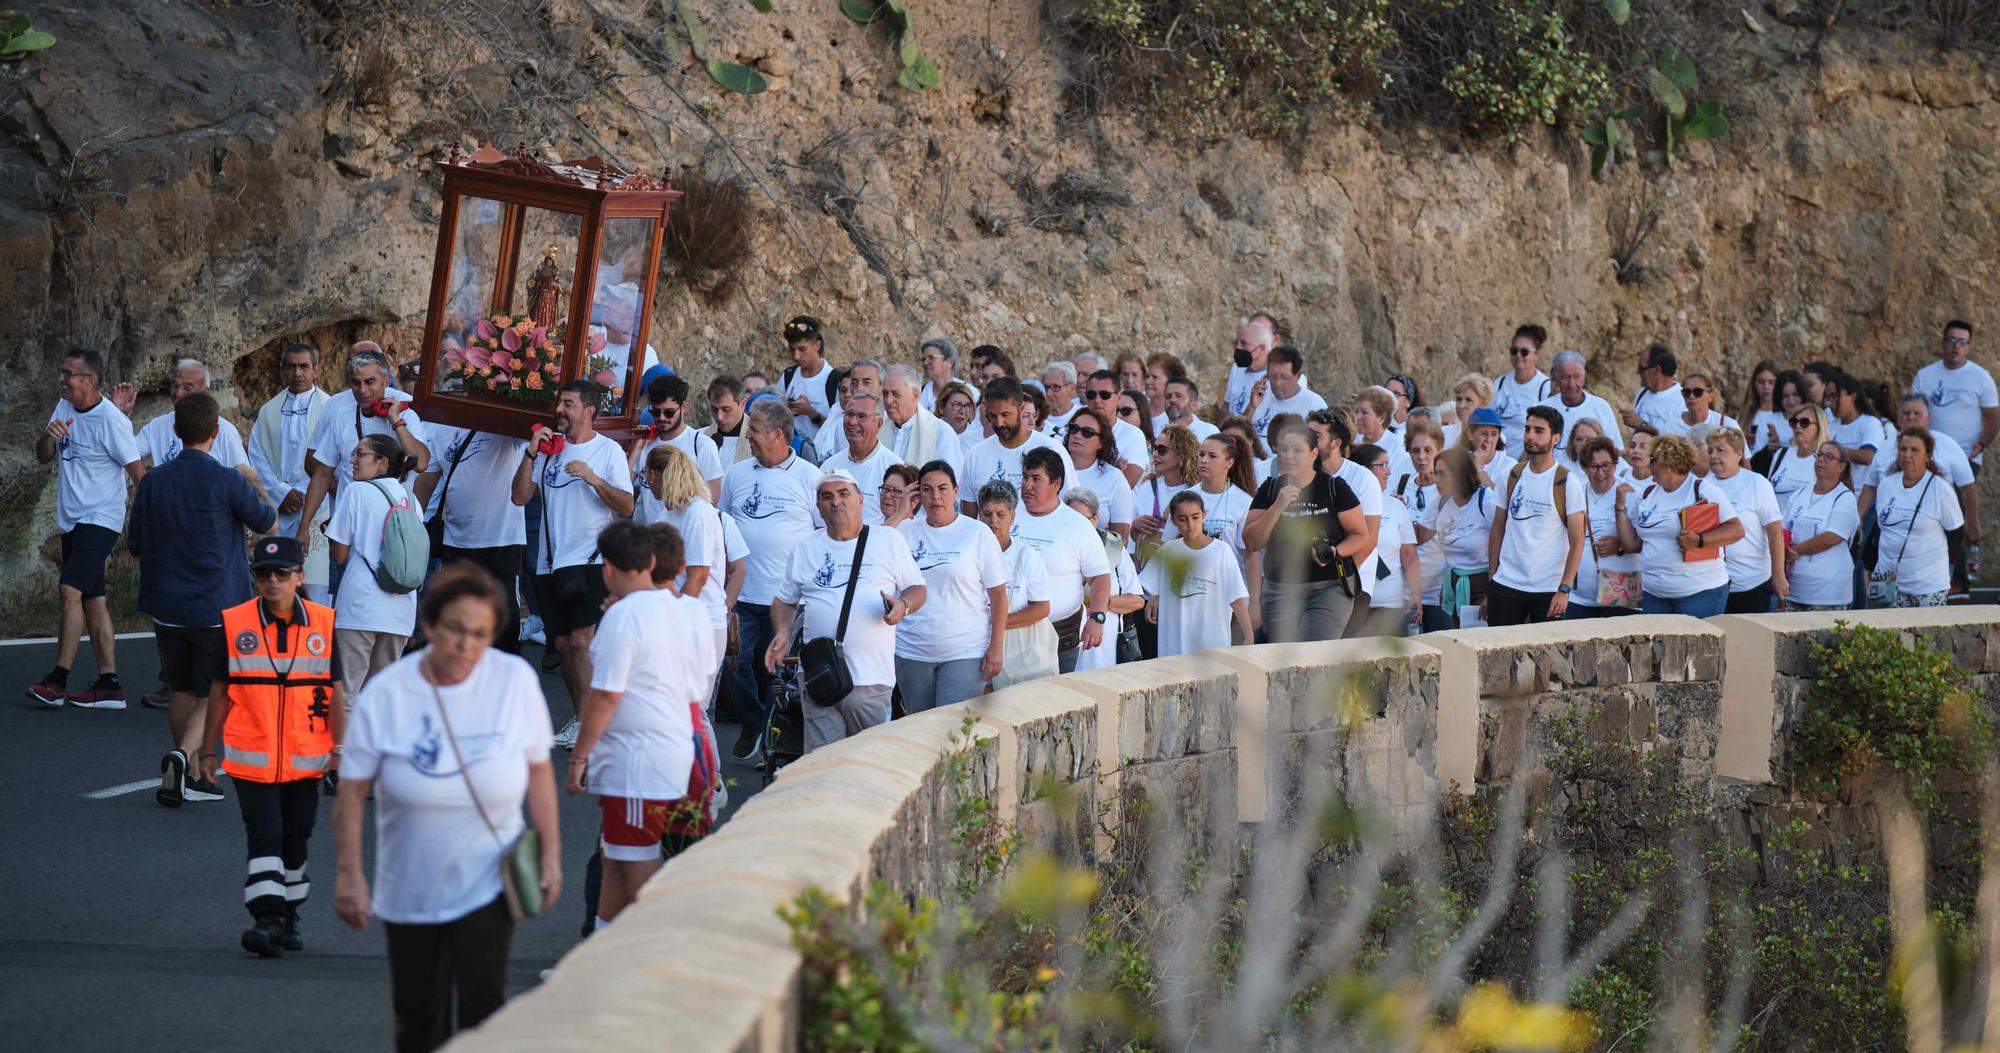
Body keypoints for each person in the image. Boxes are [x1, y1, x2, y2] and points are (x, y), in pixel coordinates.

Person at [332, 565, 561, 1053]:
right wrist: (349, 874)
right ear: (431, 625)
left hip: (488, 879)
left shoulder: (514, 681)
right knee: (418, 1020)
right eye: (455, 630)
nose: (466, 645)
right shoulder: (389, 693)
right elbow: (351, 792)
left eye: (480, 634)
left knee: (484, 1008)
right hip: (408, 885)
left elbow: (539, 771)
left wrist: (551, 855)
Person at [192, 535, 341, 957]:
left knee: (296, 838)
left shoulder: (324, 625)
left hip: (305, 758)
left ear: (298, 578)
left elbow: (338, 693)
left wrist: (341, 752)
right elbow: (218, 690)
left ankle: (289, 918)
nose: (271, 580)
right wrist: (207, 751)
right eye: (263, 574)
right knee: (266, 835)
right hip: (250, 757)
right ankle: (266, 919)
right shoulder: (236, 623)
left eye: (281, 573)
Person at [565, 520, 714, 929]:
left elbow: (605, 694)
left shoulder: (624, 615)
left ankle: (652, 949)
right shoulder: (680, 608)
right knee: (617, 859)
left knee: (635, 864)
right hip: (671, 750)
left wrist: (579, 757)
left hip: (636, 762)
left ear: (607, 569)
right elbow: (697, 683)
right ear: (650, 562)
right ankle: (602, 950)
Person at [131, 393, 278, 804]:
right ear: (216, 432)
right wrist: (256, 482)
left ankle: (190, 773)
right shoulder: (228, 480)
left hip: (167, 603)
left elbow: (136, 543)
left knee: (179, 688)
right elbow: (269, 522)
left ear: (176, 432)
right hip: (218, 603)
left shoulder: (154, 481)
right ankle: (184, 757)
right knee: (220, 689)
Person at [511, 380, 635, 748]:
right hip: (551, 562)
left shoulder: (607, 451)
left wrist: (592, 478)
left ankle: (596, 725)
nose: (559, 409)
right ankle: (584, 719)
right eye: (559, 402)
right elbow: (519, 497)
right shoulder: (549, 451)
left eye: (568, 403)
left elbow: (626, 506)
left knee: (582, 643)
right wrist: (531, 454)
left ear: (589, 411)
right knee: (563, 645)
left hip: (592, 559)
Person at [767, 471, 926, 750]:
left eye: (843, 494)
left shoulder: (887, 540)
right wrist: (782, 632)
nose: (836, 502)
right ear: (818, 507)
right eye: (827, 497)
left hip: (870, 679)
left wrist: (903, 605)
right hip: (819, 676)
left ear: (860, 500)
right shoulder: (805, 547)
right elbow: (785, 600)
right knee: (820, 766)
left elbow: (917, 589)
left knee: (868, 765)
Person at [29, 349, 144, 708]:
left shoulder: (112, 420)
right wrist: (49, 436)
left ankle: (57, 680)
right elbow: (43, 455)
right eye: (62, 373)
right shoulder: (64, 407)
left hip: (101, 519)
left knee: (69, 590)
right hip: (72, 519)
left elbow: (139, 475)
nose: (61, 379)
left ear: (89, 381)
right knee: (94, 601)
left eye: (68, 374)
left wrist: (147, 524)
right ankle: (110, 685)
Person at [720, 398, 823, 759]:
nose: (748, 436)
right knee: (734, 664)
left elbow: (825, 534)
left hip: (788, 599)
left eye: (756, 431)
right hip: (743, 593)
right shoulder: (737, 474)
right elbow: (723, 525)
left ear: (778, 435)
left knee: (776, 672)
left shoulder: (811, 478)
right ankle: (753, 720)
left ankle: (771, 729)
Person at [296, 345, 432, 554]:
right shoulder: (342, 416)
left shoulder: (407, 416)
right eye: (356, 383)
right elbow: (322, 475)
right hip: (350, 531)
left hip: (395, 531)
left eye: (370, 382)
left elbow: (421, 462)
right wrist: (303, 527)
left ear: (386, 381)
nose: (362, 390)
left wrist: (395, 420)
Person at [896, 462, 1007, 711]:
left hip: (964, 649)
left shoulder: (977, 533)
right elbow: (872, 552)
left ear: (956, 490)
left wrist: (996, 647)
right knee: (918, 728)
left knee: (952, 730)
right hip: (912, 649)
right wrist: (902, 511)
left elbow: (998, 594)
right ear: (917, 493)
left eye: (943, 488)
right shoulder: (903, 530)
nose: (936, 497)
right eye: (927, 489)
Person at [1243, 422, 1367, 642]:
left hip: (1328, 589)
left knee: (1316, 658)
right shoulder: (1270, 489)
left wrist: (1334, 551)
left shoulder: (1334, 487)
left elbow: (1360, 535)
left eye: (1297, 450)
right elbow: (1252, 542)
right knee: (1282, 659)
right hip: (1280, 590)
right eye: (1283, 449)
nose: (1289, 456)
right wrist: (1277, 506)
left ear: (1313, 454)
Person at [415, 424, 530, 653]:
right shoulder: (440, 427)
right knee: (456, 614)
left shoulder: (507, 426)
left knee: (504, 619)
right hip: (456, 540)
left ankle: (503, 681)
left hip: (502, 540)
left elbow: (529, 422)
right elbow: (427, 482)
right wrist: (410, 523)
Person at [326, 435, 421, 697]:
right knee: (382, 697)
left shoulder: (357, 491)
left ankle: (344, 740)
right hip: (401, 610)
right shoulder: (411, 500)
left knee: (345, 692)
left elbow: (340, 555)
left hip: (361, 605)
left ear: (382, 462)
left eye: (360, 454)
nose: (352, 460)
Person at [1613, 434, 1744, 617]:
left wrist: (1699, 540)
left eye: (1653, 459)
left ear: (1668, 463)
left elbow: (1736, 530)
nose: (1649, 464)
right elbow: (1633, 545)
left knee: (1696, 647)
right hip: (1654, 594)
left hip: (1699, 593)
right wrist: (1620, 509)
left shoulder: (1702, 490)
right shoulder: (1649, 493)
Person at [1479, 406, 1588, 625]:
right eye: (1527, 429)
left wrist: (1564, 589)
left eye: (1539, 431)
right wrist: (1493, 578)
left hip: (1548, 589)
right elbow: (1497, 529)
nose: (1530, 435)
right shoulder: (1511, 475)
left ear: (1555, 438)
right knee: (1499, 653)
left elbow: (1577, 541)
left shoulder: (1567, 482)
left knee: (1548, 658)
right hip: (1506, 584)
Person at [1860, 395, 1979, 593]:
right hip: (1889, 526)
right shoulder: (1886, 447)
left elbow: (1967, 487)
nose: (1911, 417)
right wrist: (1859, 518)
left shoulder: (1947, 445)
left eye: (1917, 413)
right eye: (1906, 413)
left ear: (1928, 417)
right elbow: (1870, 486)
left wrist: (1973, 523)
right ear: (1898, 417)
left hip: (1932, 533)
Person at [1008, 449, 1112, 672]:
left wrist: (1097, 617)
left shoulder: (1077, 525)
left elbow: (1099, 577)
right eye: (1025, 477)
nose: (1027, 485)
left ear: (1056, 483)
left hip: (1060, 637)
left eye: (1037, 479)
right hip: (1010, 631)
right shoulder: (1007, 514)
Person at [249, 344, 336, 603]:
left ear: (316, 370)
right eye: (291, 367)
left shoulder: (331, 408)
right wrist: (281, 492)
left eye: (304, 366)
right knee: (280, 585)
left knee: (316, 588)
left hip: (318, 509)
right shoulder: (268, 411)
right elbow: (258, 457)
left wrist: (308, 490)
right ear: (282, 370)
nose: (297, 373)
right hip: (281, 506)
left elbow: (335, 457)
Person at [1142, 492, 1251, 655]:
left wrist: (1248, 635)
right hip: (1175, 646)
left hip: (1212, 646)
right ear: (1173, 520)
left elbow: (1236, 597)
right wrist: (1155, 595)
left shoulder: (1221, 551)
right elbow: (1148, 585)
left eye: (1195, 517)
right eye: (1182, 519)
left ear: (1204, 515)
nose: (1190, 525)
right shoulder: (1167, 551)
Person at [1307, 409, 1385, 637]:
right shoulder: (1302, 476)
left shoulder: (1362, 479)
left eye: (1316, 435)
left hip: (1351, 581)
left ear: (1335, 443)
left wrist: (1334, 580)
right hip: (1308, 583)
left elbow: (1368, 539)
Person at [132, 358, 263, 493]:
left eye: (187, 388)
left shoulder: (225, 431)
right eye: (175, 386)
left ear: (204, 391)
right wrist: (145, 487)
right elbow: (128, 451)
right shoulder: (157, 426)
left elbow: (244, 481)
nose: (178, 393)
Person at [1871, 428, 1965, 607]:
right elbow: (1879, 528)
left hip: (1927, 586)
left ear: (1928, 455)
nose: (1907, 455)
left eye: (1915, 450)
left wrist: (1942, 565)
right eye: (1903, 449)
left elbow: (1957, 533)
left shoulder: (1940, 489)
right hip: (1888, 584)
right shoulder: (1886, 485)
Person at [978, 481, 1057, 689]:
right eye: (987, 514)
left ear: (1013, 517)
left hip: (1023, 657)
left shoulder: (1026, 556)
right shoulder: (970, 554)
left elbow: (1041, 607)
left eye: (1000, 514)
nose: (993, 521)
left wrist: (997, 624)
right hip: (975, 650)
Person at [956, 379, 1075, 513]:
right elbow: (969, 512)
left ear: (1021, 407)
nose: (999, 423)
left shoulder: (1052, 449)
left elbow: (1070, 503)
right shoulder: (976, 454)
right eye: (993, 416)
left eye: (1005, 415)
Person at [1705, 428, 1788, 614]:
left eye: (1721, 450)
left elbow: (1775, 532)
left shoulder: (1756, 483)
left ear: (1739, 453)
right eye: (1710, 450)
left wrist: (1778, 575)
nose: (1714, 456)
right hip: (1713, 584)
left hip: (1753, 582)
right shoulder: (1703, 484)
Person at [1064, 489, 1145, 669]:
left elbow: (1138, 600)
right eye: (1070, 518)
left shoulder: (1114, 549)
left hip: (1104, 649)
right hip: (1064, 646)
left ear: (1095, 518)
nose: (1076, 525)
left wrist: (1100, 605)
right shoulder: (1057, 549)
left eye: (1082, 519)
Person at [1783, 443, 1861, 611]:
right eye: (1819, 455)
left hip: (1827, 593)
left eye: (1829, 457)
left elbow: (1832, 537)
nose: (1821, 460)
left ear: (1841, 466)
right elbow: (1784, 530)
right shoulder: (1800, 494)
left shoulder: (1845, 498)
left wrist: (1796, 550)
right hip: (1793, 589)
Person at [1567, 437, 1639, 619]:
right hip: (1579, 596)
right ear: (1584, 468)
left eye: (1606, 465)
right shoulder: (1575, 493)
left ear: (1615, 465)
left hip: (1621, 589)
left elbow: (1644, 541)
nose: (1600, 473)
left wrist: (1621, 546)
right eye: (1594, 467)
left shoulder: (1631, 493)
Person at [1913, 320, 1998, 473]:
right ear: (1943, 343)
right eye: (1951, 340)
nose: (1956, 346)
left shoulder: (1981, 377)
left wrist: (1982, 444)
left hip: (1966, 456)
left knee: (1958, 497)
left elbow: (1993, 416)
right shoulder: (1924, 376)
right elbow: (1914, 414)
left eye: (1962, 342)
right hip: (1931, 456)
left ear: (1969, 347)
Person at [1354, 444, 1420, 637]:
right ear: (1364, 471)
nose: (1389, 472)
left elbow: (1409, 554)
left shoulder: (1396, 506)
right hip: (1353, 602)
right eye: (1382, 465)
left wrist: (1416, 593)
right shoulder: (1345, 503)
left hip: (1390, 603)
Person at [629, 374, 723, 508]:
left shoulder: (702, 445)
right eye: (655, 412)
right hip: (644, 528)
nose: (661, 418)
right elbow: (624, 488)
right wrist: (637, 448)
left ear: (684, 407)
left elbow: (711, 501)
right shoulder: (645, 442)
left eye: (669, 413)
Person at [1430, 447, 1495, 628]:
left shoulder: (1485, 500)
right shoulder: (1442, 502)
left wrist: (1492, 594)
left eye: (1442, 474)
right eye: (1435, 473)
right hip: (1453, 585)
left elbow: (1505, 546)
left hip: (1483, 586)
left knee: (1481, 646)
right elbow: (1419, 534)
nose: (1436, 480)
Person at [1398, 420, 1450, 631]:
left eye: (1428, 450)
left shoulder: (1447, 489)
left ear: (1440, 450)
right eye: (1415, 451)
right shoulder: (1402, 483)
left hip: (1438, 592)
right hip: (1404, 592)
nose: (1421, 457)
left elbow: (1418, 536)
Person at [820, 391, 901, 523]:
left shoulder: (894, 468)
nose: (852, 422)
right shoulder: (829, 466)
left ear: (879, 424)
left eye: (861, 416)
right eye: (849, 414)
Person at [1063, 404, 1135, 541]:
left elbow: (1120, 537)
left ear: (1101, 442)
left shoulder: (1114, 477)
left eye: (1087, 432)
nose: (1077, 435)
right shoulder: (1052, 469)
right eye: (1074, 429)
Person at [1535, 350, 1625, 458]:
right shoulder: (1543, 409)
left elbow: (1616, 451)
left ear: (1585, 376)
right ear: (1555, 378)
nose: (1571, 384)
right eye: (1565, 377)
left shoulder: (1601, 407)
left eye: (1577, 377)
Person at [780, 315, 841, 448]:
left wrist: (811, 413)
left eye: (802, 349)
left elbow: (841, 431)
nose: (796, 356)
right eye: (792, 350)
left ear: (817, 345)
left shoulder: (834, 380)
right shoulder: (788, 376)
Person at [883, 365, 958, 472]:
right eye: (885, 394)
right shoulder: (876, 425)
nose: (888, 400)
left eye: (896, 394)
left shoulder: (940, 432)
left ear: (915, 395)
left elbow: (947, 481)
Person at [1248, 346, 1328, 444]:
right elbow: (1242, 433)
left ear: (1298, 376)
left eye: (1284, 378)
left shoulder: (1314, 404)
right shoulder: (1260, 394)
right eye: (1273, 376)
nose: (1277, 383)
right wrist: (1252, 406)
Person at [1492, 324, 1552, 453]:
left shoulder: (1545, 387)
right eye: (1514, 351)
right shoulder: (1500, 383)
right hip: (1498, 457)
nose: (1518, 355)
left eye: (1524, 352)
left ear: (1537, 355)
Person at [813, 358, 885, 462]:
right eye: (854, 382)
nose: (859, 388)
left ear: (882, 386)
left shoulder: (892, 423)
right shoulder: (842, 422)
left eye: (866, 382)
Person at [1081, 369, 1151, 476]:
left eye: (1104, 395)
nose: (1097, 400)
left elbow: (1127, 483)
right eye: (1091, 394)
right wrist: (1113, 469)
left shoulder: (1133, 435)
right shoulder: (1074, 431)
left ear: (1119, 397)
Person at [1353, 386, 1413, 481]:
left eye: (1364, 413)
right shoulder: (1352, 438)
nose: (1357, 417)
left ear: (1381, 418)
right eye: (1356, 412)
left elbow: (1393, 483)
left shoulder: (1397, 448)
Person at [1827, 372, 1886, 467]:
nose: (1830, 404)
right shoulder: (1832, 425)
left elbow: (1867, 456)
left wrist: (1834, 451)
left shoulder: (1870, 423)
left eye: (1834, 397)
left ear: (1853, 397)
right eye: (1828, 398)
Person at [1226, 314, 1275, 416]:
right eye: (1236, 342)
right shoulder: (1237, 368)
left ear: (1261, 348)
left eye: (1244, 343)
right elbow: (1226, 407)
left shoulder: (1280, 377)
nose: (1238, 347)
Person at [1457, 407, 1516, 489]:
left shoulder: (1510, 465)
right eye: (1483, 433)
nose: (1489, 440)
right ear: (1470, 434)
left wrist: (1479, 470)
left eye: (1494, 434)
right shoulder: (1459, 461)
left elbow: (1500, 500)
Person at [701, 375, 753, 467]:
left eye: (726, 409)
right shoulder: (700, 437)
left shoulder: (757, 440)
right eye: (714, 409)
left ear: (742, 404)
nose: (719, 417)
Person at [1739, 359, 1789, 455]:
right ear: (1754, 384)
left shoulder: (1785, 415)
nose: (1766, 387)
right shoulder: (1745, 416)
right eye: (1761, 382)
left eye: (1771, 382)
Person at [1667, 372, 1738, 438]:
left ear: (1710, 396)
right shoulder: (1671, 427)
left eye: (1698, 392)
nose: (1691, 396)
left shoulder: (1727, 425)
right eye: (1687, 392)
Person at [1445, 373, 1494, 448]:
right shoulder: (1444, 433)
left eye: (1469, 400)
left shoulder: (1493, 439)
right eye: (1459, 399)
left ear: (1484, 405)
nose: (1461, 406)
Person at [1162, 375, 1218, 441]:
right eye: (1168, 396)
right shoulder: (1157, 428)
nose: (1172, 400)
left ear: (1193, 404)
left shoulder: (1209, 432)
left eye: (1178, 396)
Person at [1144, 353, 1187, 434]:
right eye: (1147, 376)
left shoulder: (1177, 417)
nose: (1147, 381)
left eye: (1154, 377)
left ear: (1171, 381)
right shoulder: (1136, 408)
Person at [918, 337, 964, 413]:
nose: (925, 363)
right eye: (923, 359)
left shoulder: (970, 393)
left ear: (949, 362)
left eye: (931, 357)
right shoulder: (918, 394)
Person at [939, 381, 981, 458]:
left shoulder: (978, 439)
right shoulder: (929, 433)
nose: (962, 411)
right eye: (956, 404)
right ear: (942, 407)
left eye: (967, 406)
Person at [1040, 361, 1081, 434]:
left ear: (1071, 389)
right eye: (1045, 387)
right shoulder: (1036, 416)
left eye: (1056, 387)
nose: (1048, 393)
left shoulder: (1082, 416)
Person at [878, 464, 920, 528]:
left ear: (914, 502)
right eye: (885, 489)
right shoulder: (866, 526)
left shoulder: (918, 531)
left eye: (896, 491)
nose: (888, 495)